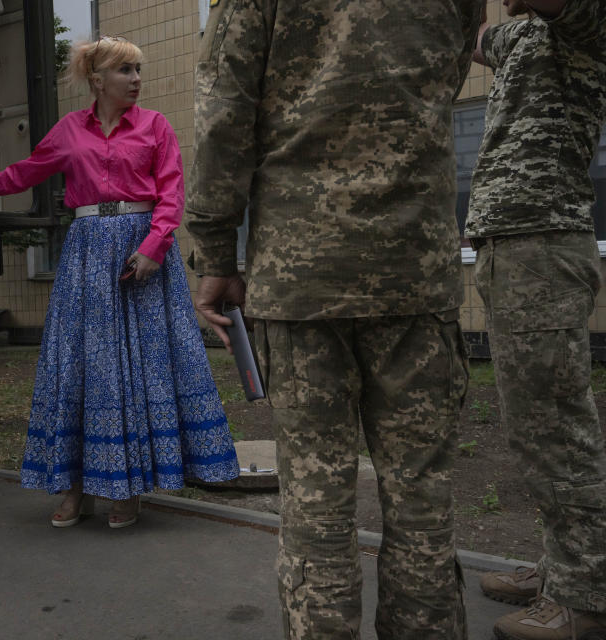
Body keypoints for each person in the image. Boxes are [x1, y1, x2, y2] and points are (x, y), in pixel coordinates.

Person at [187, 1, 482, 637]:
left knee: (316, 508)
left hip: (302, 281)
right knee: (421, 502)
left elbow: (224, 118)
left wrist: (213, 250)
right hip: (413, 275)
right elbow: (448, 75)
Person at [0, 36, 239, 529]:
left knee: (139, 371)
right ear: (97, 79)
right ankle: (75, 488)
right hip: (86, 256)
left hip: (141, 255)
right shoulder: (68, 131)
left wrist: (153, 247)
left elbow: (172, 192)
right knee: (83, 370)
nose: (137, 79)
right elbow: (23, 174)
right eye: (126, 70)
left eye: (139, 69)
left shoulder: (155, 126)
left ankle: (127, 490)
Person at [464, 1, 606, 637]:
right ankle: (560, 568)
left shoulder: (582, 17)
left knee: (557, 429)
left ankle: (586, 597)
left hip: (543, 241)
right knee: (535, 426)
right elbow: (471, 38)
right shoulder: (519, 33)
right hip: (511, 245)